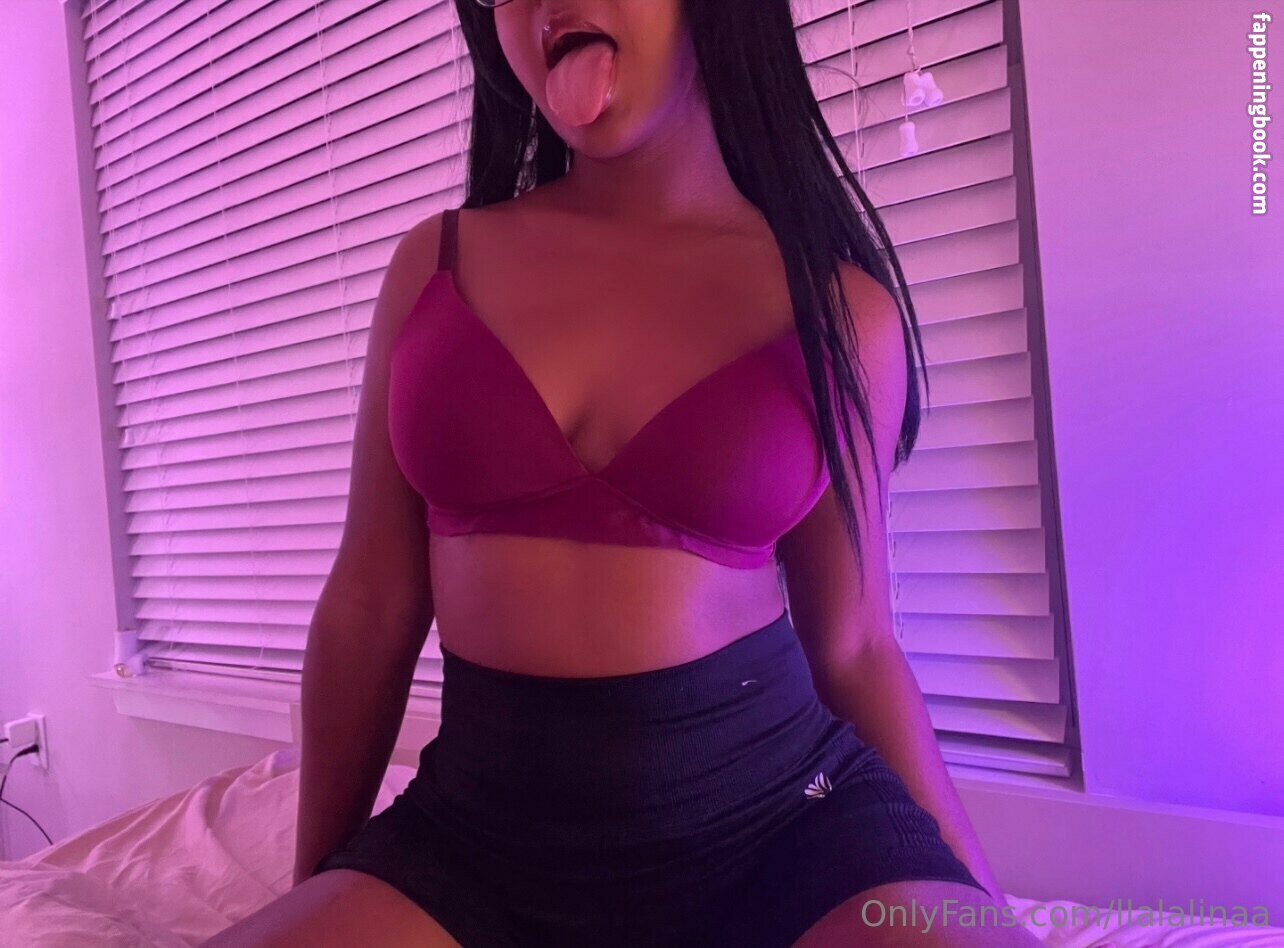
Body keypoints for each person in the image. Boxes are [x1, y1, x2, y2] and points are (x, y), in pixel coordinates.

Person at [204, 1, 1042, 945]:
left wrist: (982, 907)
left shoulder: (839, 312)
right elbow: (369, 607)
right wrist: (316, 889)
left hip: (785, 832)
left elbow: (854, 648)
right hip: (476, 848)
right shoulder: (434, 269)